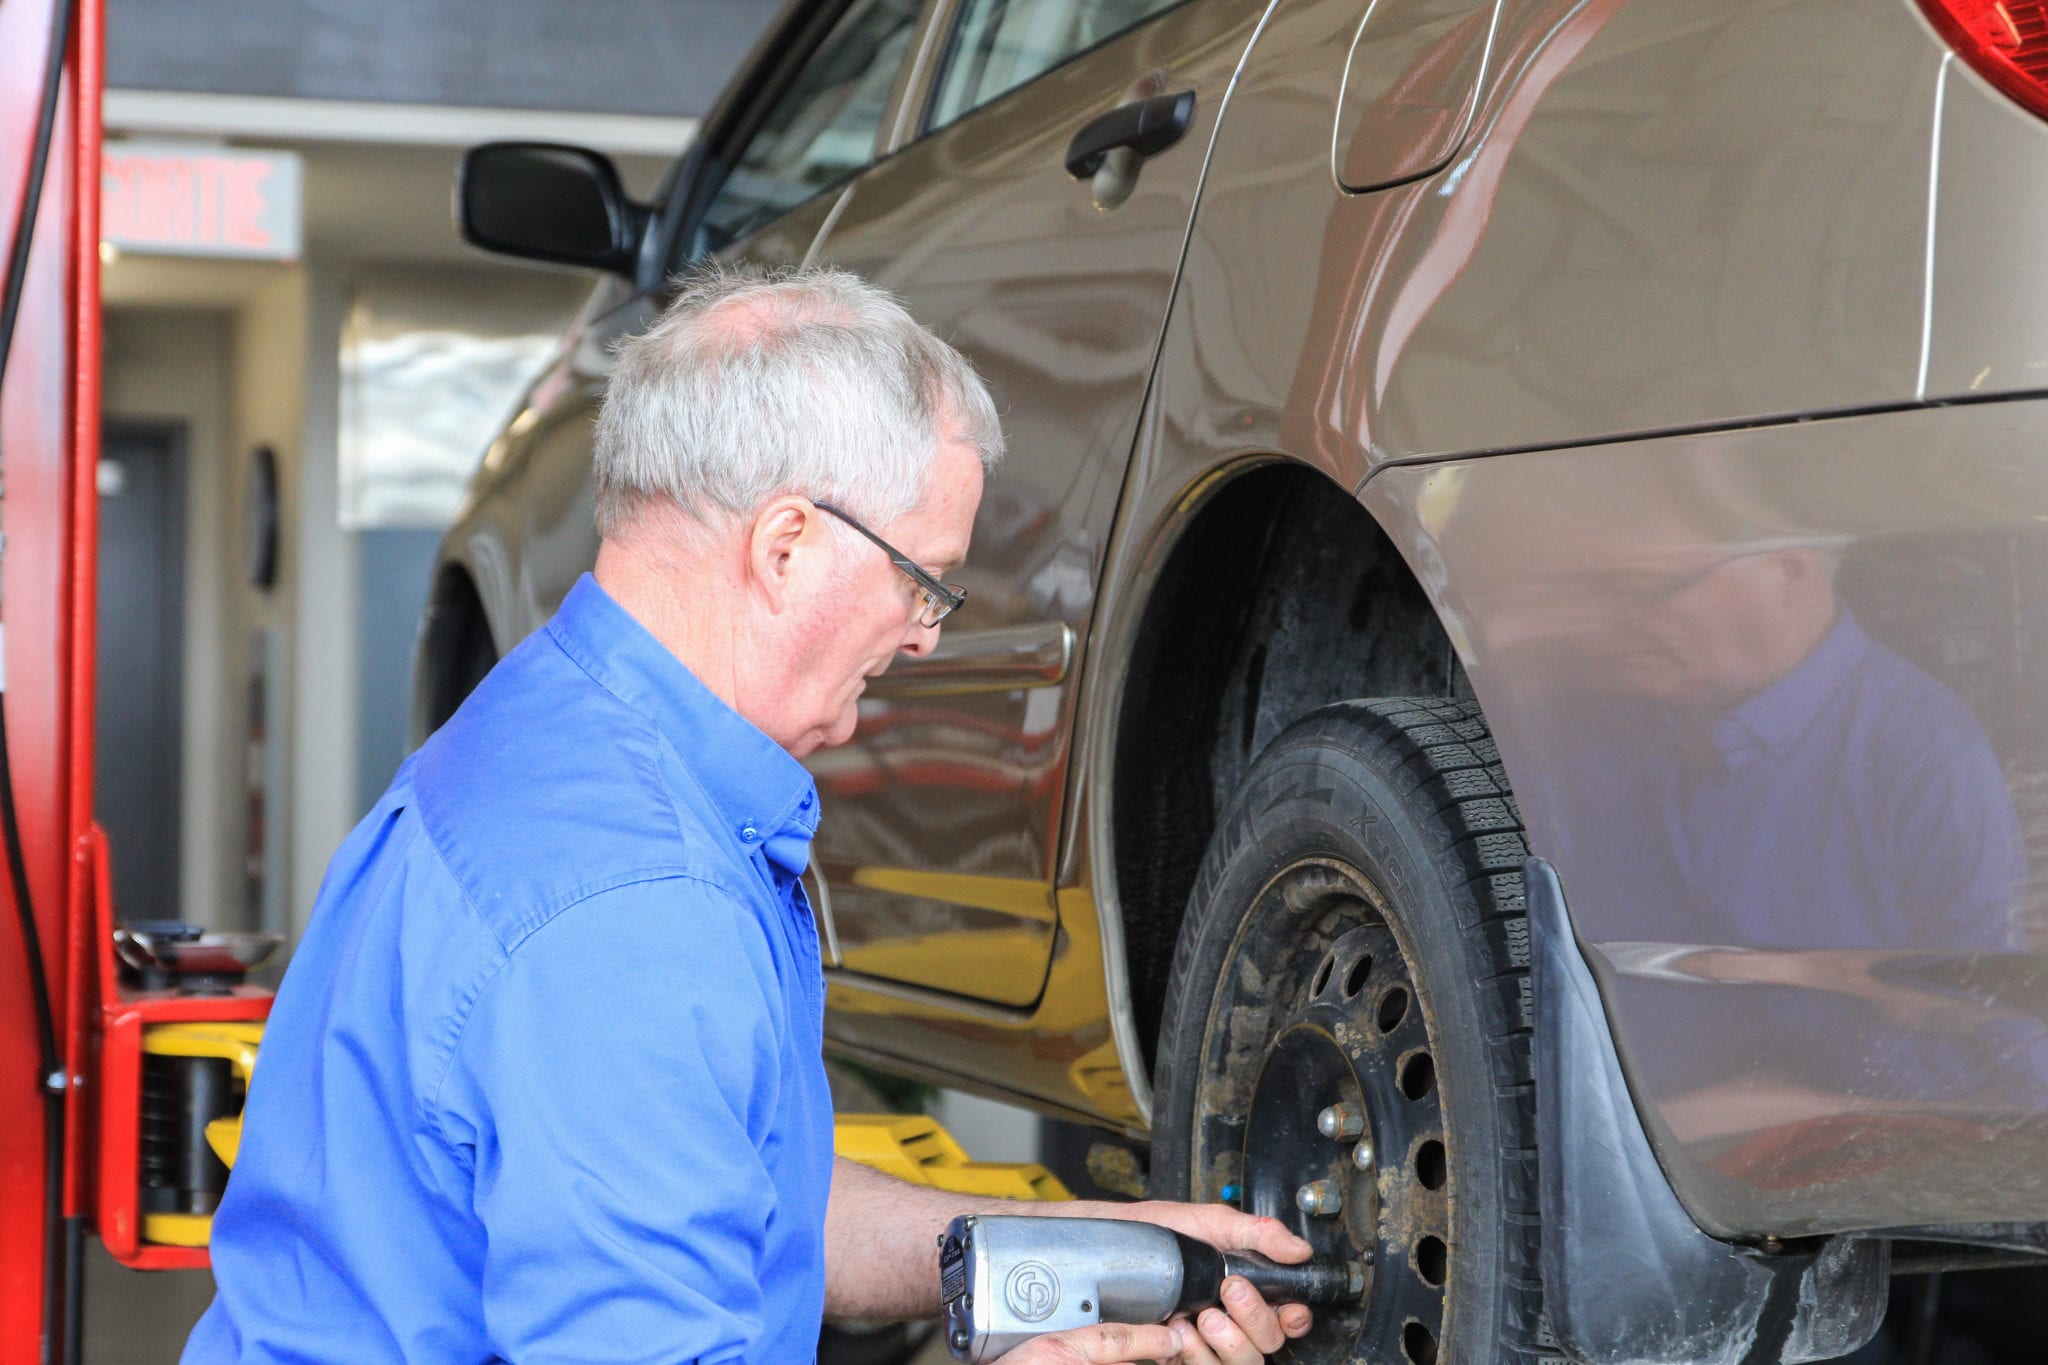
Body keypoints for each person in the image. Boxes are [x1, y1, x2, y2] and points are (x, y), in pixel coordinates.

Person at [184, 265, 1314, 1364]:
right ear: (786, 548)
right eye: (923, 579)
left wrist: (1096, 1251)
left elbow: (732, 1206)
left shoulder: (549, 734)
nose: (925, 635)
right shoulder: (633, 907)